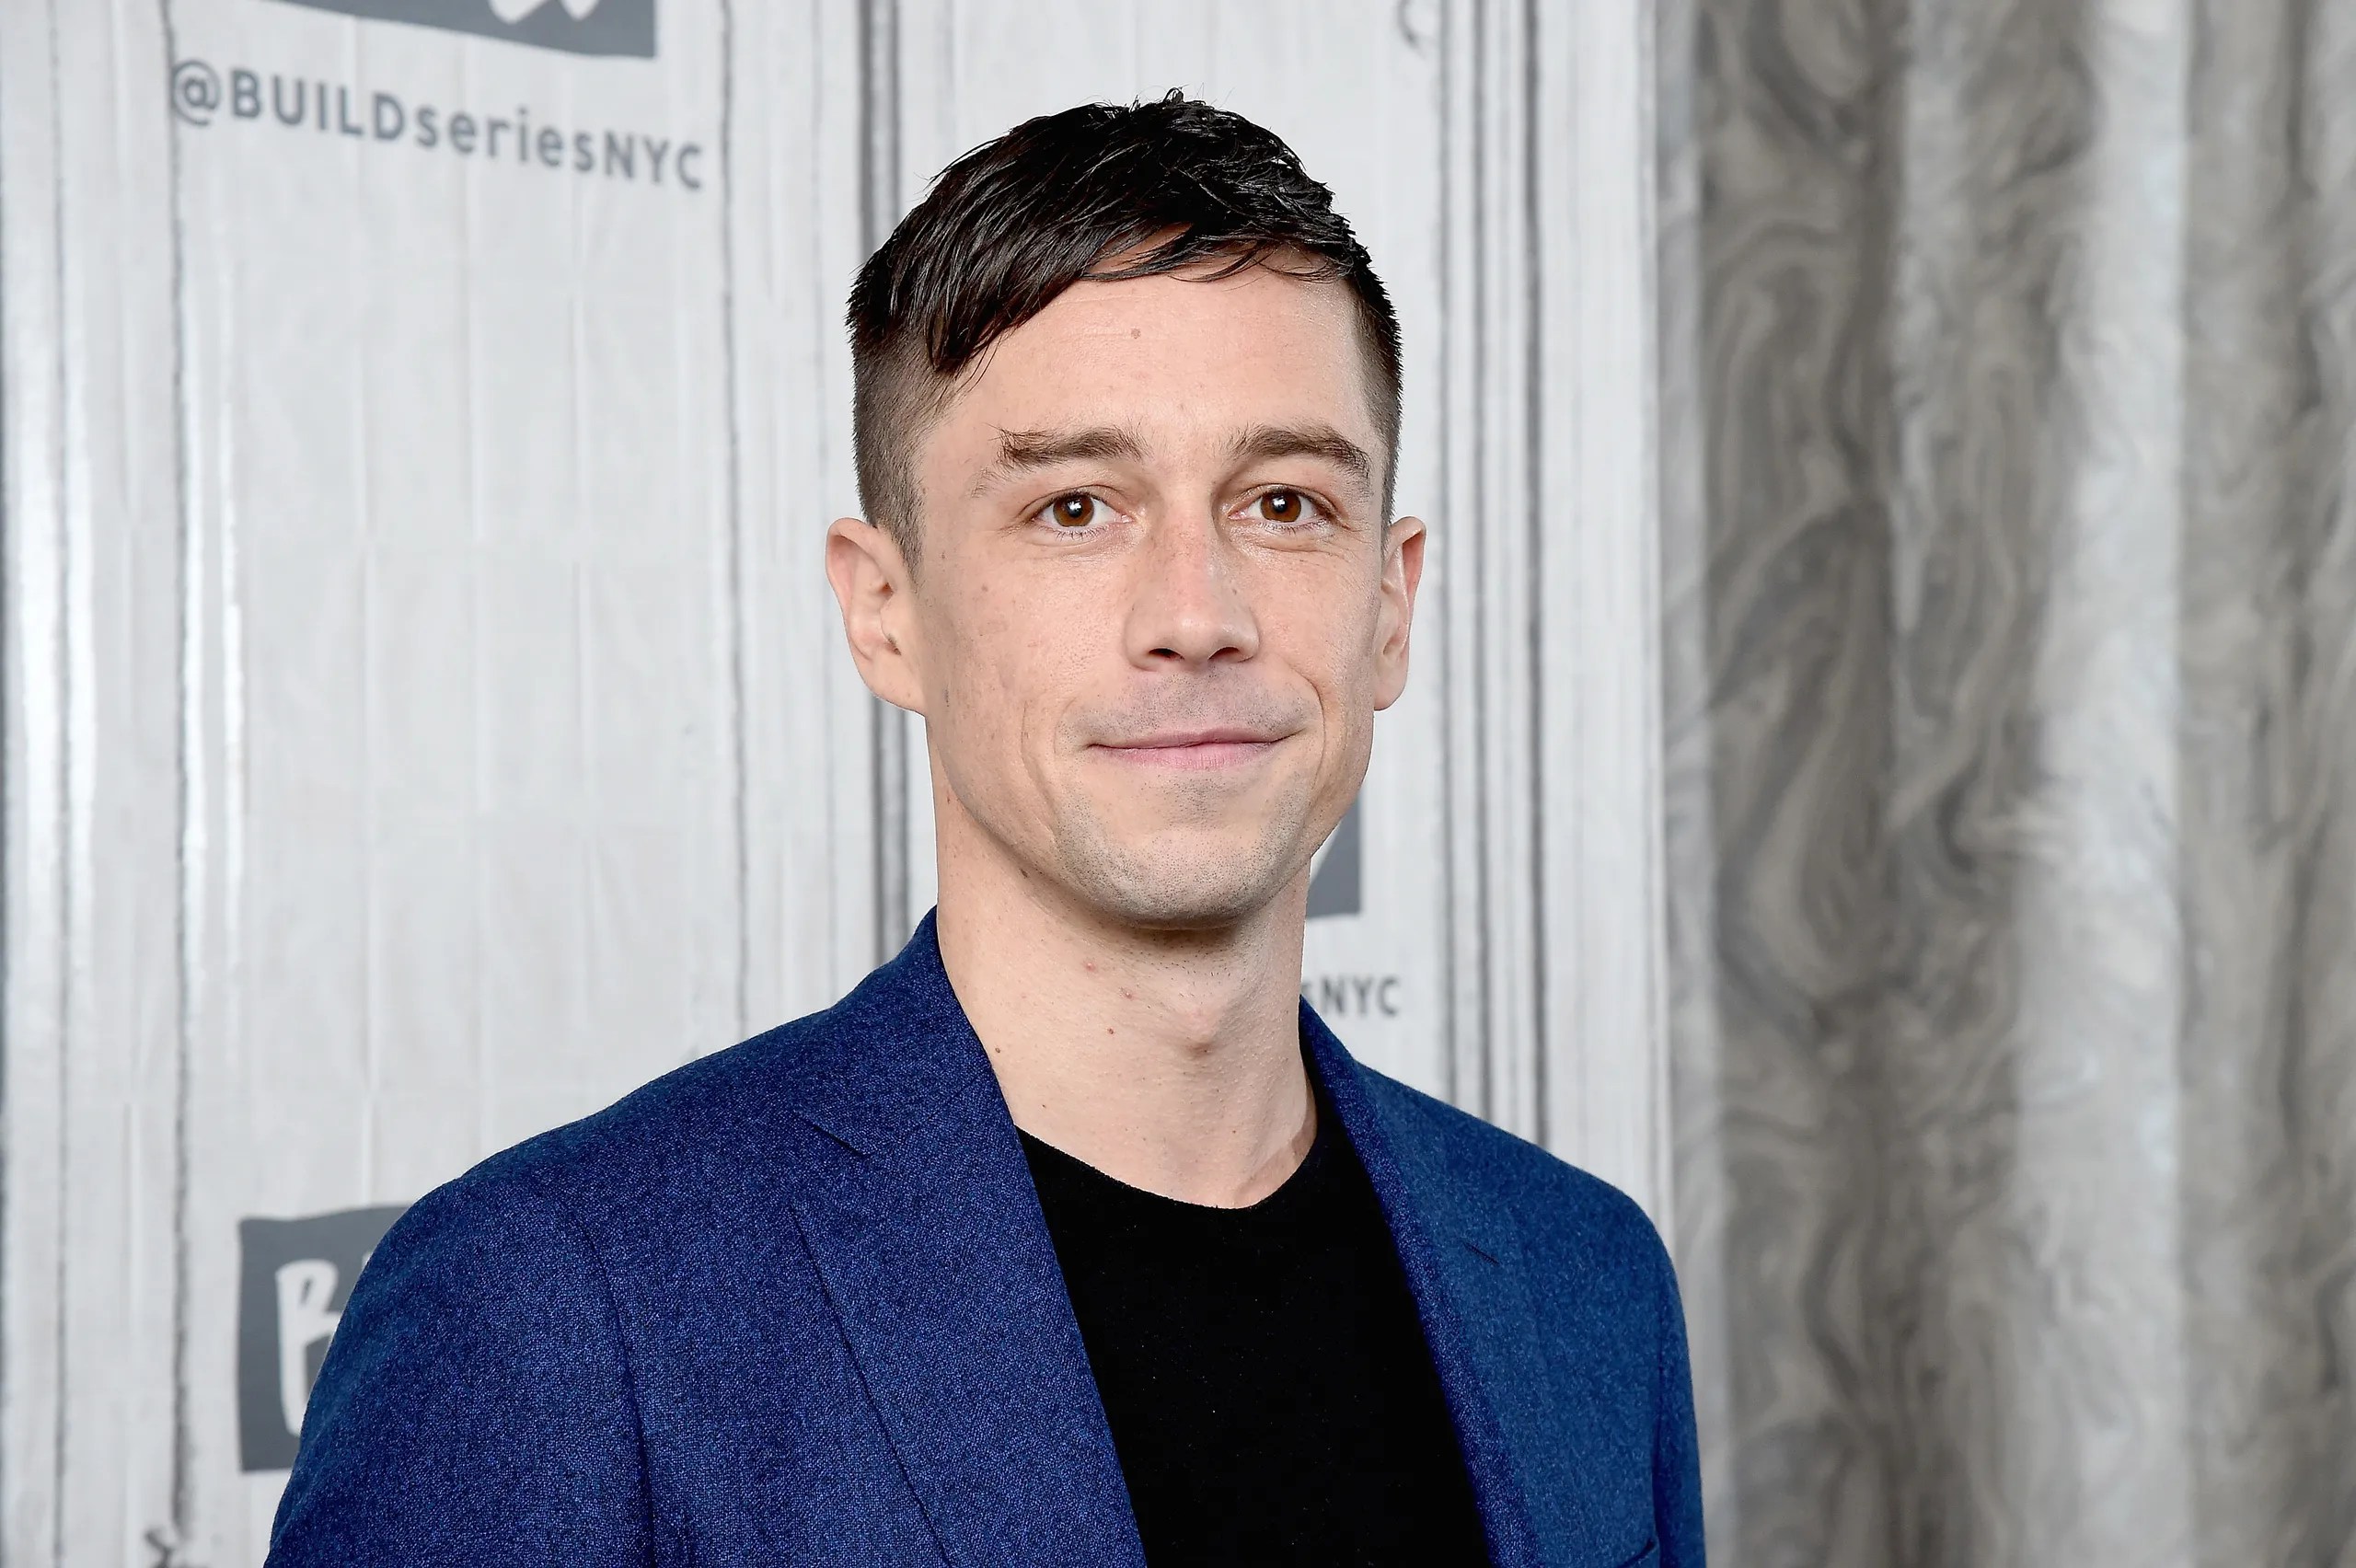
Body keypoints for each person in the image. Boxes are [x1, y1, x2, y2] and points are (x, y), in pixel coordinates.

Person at [268, 92, 1703, 1568]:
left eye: (1283, 503)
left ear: (1391, 605)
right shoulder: (550, 1307)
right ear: (885, 612)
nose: (1197, 614)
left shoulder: (1586, 1281)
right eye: (1076, 508)